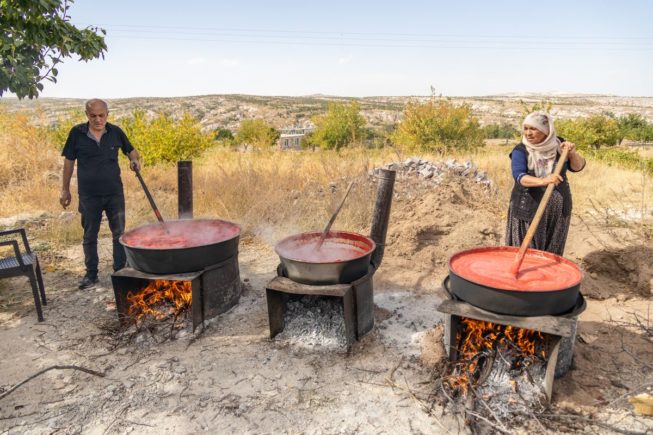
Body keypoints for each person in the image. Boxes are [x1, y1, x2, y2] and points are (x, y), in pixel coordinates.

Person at [60, 99, 140, 289]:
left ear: (107, 114)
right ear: (87, 115)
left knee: (119, 234)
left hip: (114, 193)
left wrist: (134, 161)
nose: (97, 119)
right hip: (89, 195)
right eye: (93, 115)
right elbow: (68, 163)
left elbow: (132, 151)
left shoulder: (115, 132)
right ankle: (91, 274)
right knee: (89, 235)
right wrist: (65, 189)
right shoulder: (76, 133)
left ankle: (120, 271)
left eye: (101, 115)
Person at [505, 112, 586, 256]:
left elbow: (578, 167)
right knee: (527, 252)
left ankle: (547, 278)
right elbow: (519, 176)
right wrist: (543, 180)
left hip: (557, 210)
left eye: (533, 129)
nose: (528, 133)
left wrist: (572, 154)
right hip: (528, 209)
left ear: (546, 131)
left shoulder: (560, 146)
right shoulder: (521, 150)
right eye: (526, 128)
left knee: (552, 251)